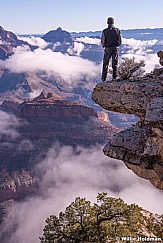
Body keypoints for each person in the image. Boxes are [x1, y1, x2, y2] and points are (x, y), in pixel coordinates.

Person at [101, 17, 122, 81]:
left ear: (107, 22)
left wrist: (104, 45)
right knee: (114, 63)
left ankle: (104, 78)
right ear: (113, 22)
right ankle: (114, 77)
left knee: (105, 63)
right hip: (115, 48)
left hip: (107, 48)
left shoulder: (105, 31)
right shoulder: (117, 30)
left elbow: (103, 40)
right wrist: (117, 45)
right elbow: (120, 40)